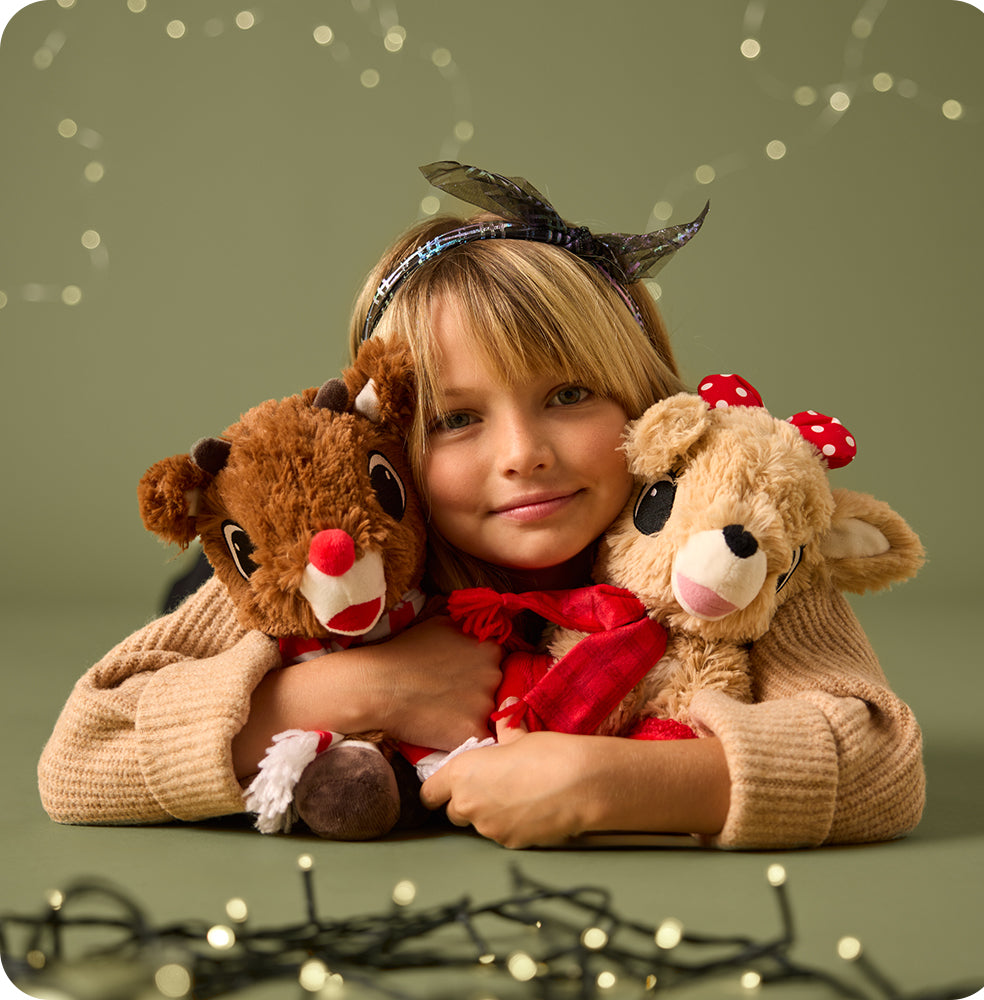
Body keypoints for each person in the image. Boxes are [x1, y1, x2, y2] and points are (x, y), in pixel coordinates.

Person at [38, 161, 924, 849]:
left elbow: (883, 762)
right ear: (394, 445)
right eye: (458, 418)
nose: (522, 454)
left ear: (653, 405)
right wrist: (349, 684)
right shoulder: (344, 551)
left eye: (570, 394)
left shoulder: (721, 538)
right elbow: (81, 759)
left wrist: (608, 782)